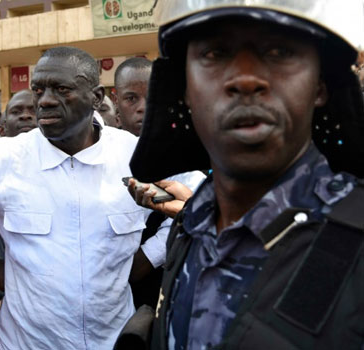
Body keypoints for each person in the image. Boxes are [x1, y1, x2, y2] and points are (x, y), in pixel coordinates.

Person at [127, 2, 364, 349]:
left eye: (279, 51)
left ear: (320, 85)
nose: (245, 79)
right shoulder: (190, 225)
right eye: (215, 52)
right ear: (184, 89)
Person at [0, 46, 166, 349]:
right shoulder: (3, 159)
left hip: (112, 341)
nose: (44, 100)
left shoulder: (135, 154)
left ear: (96, 97)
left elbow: (199, 200)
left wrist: (150, 256)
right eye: (38, 89)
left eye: (61, 89)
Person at [112, 57, 152, 136]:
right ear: (115, 100)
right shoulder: (105, 146)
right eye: (131, 98)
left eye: (151, 98)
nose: (143, 108)